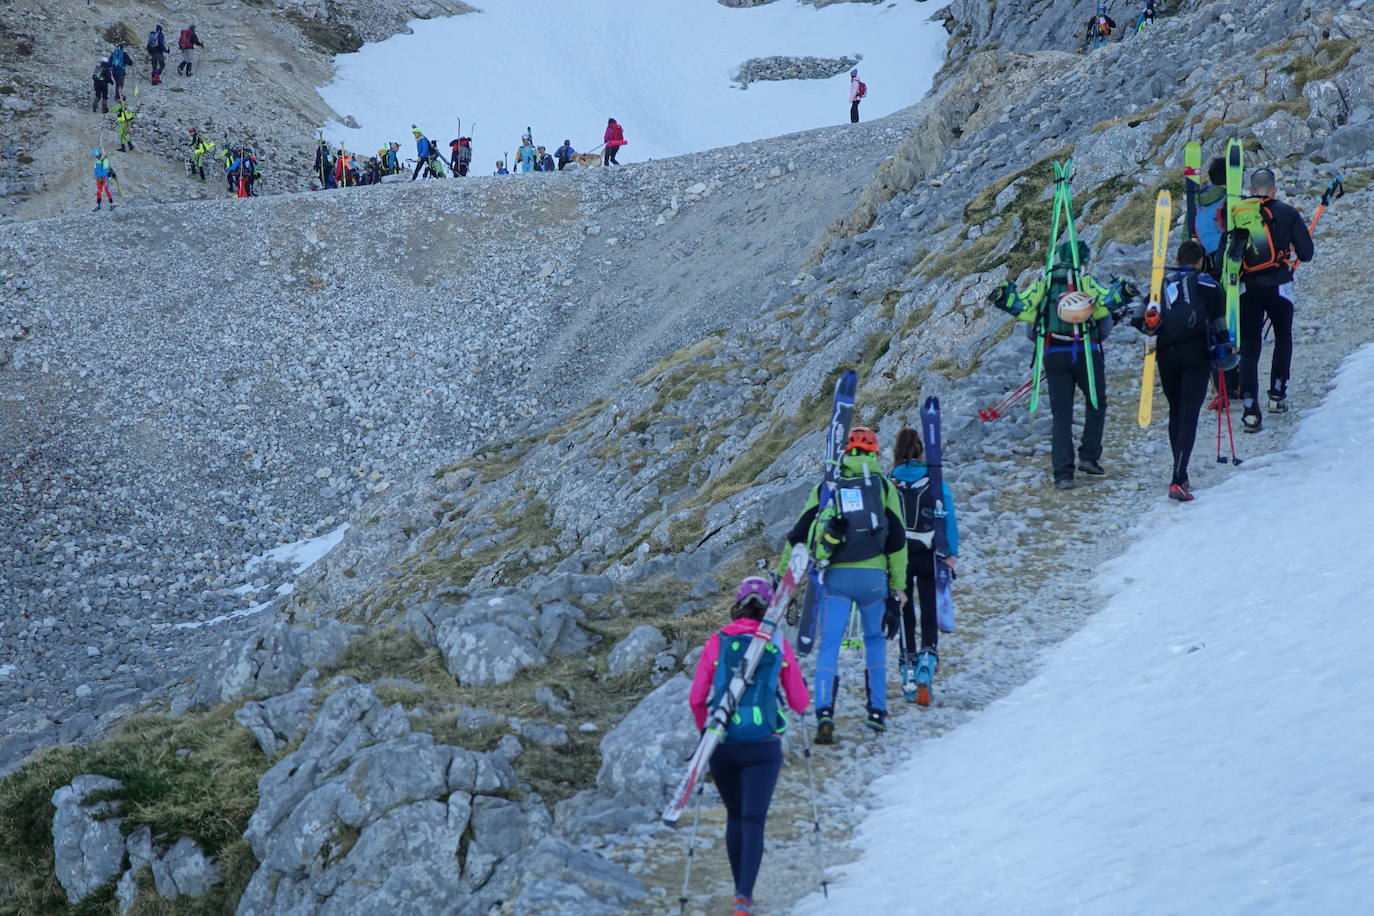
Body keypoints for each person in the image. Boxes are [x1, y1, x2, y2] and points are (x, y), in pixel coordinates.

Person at [688, 575, 809, 916]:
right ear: (770, 606)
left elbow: (697, 697)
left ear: (737, 604)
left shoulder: (717, 642)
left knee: (735, 815)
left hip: (722, 743)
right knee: (754, 819)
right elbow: (800, 702)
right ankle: (744, 896)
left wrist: (706, 733)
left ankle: (737, 889)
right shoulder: (777, 643)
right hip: (763, 745)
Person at [779, 426, 907, 741]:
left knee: (830, 646)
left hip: (836, 577)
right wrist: (899, 588)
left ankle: (825, 712)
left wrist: (783, 576)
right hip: (874, 579)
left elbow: (799, 533)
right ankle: (877, 712)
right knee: (875, 641)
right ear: (875, 453)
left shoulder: (829, 485)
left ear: (845, 452)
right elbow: (898, 541)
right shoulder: (884, 487)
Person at [990, 241, 1135, 489]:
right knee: (1096, 403)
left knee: (1061, 414)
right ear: (1084, 260)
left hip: (1054, 353)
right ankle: (1089, 457)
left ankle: (1063, 474)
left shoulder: (1043, 283)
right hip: (1086, 353)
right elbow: (1104, 309)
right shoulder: (1085, 282)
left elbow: (1024, 310)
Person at [1132, 240, 1232, 500]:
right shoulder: (1209, 284)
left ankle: (1180, 472)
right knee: (1189, 415)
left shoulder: (1160, 284)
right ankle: (1178, 478)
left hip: (1165, 355)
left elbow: (1138, 319)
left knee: (1176, 412)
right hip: (1197, 355)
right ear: (1201, 261)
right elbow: (1220, 325)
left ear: (1176, 261)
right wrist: (1226, 352)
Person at [1235, 168, 1314, 431]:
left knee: (1249, 345)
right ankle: (1277, 395)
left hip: (1247, 288)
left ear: (1250, 189)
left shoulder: (1237, 213)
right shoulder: (1287, 212)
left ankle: (1249, 409)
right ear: (1274, 189)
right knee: (1282, 335)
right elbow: (1306, 252)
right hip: (1279, 285)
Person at [889, 427, 958, 706]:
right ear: (921, 452)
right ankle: (927, 664)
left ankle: (907, 663)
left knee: (905, 610)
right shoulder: (935, 480)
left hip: (899, 555)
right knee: (929, 607)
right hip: (929, 554)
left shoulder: (889, 481)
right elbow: (948, 518)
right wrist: (951, 553)